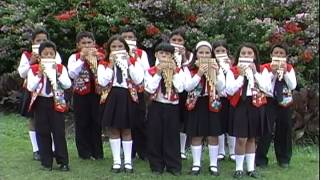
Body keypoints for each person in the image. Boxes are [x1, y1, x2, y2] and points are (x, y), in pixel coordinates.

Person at [98, 35, 144, 173]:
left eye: (120, 47)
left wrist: (129, 63)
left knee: (127, 129)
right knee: (113, 129)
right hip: (112, 96)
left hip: (127, 96)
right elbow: (102, 81)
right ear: (109, 50)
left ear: (126, 48)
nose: (117, 49)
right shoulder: (104, 64)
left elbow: (138, 79)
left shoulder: (134, 62)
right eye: (114, 47)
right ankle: (117, 161)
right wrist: (111, 65)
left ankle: (128, 162)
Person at [226, 43, 269, 178]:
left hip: (256, 104)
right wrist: (241, 75)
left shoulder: (262, 70)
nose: (246, 56)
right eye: (243, 53)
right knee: (241, 138)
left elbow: (266, 88)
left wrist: (254, 73)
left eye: (249, 53)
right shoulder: (232, 70)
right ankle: (239, 168)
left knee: (252, 138)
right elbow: (230, 90)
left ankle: (251, 168)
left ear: (254, 56)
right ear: (239, 56)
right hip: (240, 105)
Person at [27, 41, 71, 171]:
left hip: (56, 101)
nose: (49, 56)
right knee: (42, 131)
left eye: (51, 53)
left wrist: (57, 75)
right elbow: (31, 87)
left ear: (55, 55)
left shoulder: (61, 68)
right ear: (40, 56)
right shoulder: (34, 69)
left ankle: (63, 161)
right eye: (45, 54)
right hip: (41, 102)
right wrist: (40, 74)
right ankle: (46, 162)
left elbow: (67, 85)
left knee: (58, 132)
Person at [17, 28, 61, 161]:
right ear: (33, 42)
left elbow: (58, 67)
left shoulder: (53, 53)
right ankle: (36, 149)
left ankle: (52, 148)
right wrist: (31, 62)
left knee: (51, 119)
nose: (41, 42)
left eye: (44, 40)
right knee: (33, 119)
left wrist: (46, 59)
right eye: (38, 40)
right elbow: (22, 73)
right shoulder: (26, 55)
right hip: (32, 89)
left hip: (50, 89)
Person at [184, 41, 225, 176]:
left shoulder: (216, 67)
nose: (204, 55)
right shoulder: (189, 69)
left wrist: (217, 73)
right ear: (196, 55)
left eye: (207, 53)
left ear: (211, 54)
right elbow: (188, 87)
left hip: (212, 102)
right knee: (196, 134)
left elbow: (221, 88)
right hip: (196, 103)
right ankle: (196, 164)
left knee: (213, 134)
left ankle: (213, 164)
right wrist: (199, 73)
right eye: (201, 52)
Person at [144, 42, 185, 176]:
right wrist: (159, 73)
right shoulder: (150, 71)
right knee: (155, 135)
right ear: (156, 55)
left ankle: (174, 166)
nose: (164, 56)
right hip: (156, 105)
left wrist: (172, 73)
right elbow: (149, 88)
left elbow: (180, 88)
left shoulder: (179, 71)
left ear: (172, 56)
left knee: (172, 136)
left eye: (167, 54)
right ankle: (156, 166)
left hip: (172, 106)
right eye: (162, 53)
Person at [256, 43, 297, 168]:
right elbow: (264, 86)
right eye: (276, 53)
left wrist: (284, 73)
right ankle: (260, 159)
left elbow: (292, 85)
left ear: (286, 56)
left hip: (284, 101)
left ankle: (284, 159)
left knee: (284, 129)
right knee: (266, 130)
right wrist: (272, 73)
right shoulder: (265, 68)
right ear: (271, 55)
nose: (278, 56)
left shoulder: (289, 68)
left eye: (281, 54)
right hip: (269, 101)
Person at [67, 31, 103, 160]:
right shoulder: (74, 57)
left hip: (97, 93)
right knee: (82, 122)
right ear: (78, 45)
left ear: (94, 44)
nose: (87, 46)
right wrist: (82, 59)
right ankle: (84, 152)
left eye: (89, 43)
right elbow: (71, 74)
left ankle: (97, 152)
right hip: (81, 93)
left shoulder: (101, 56)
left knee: (97, 122)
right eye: (83, 43)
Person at [120, 27, 150, 160]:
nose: (128, 40)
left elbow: (147, 71)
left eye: (130, 37)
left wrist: (135, 58)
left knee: (140, 120)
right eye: (125, 37)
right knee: (126, 121)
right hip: (122, 91)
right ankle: (128, 151)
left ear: (135, 40)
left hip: (138, 90)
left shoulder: (141, 53)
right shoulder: (116, 52)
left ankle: (143, 150)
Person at [169, 29, 193, 160]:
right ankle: (171, 146)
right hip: (169, 90)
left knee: (183, 120)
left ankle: (182, 149)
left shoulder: (189, 55)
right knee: (172, 119)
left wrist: (183, 57)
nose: (177, 43)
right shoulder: (165, 53)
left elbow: (190, 69)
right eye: (174, 40)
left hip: (184, 91)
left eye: (180, 40)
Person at [211, 40, 236, 161]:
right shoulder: (212, 64)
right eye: (217, 51)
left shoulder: (233, 64)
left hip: (231, 99)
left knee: (231, 124)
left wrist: (229, 67)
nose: (220, 53)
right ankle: (221, 151)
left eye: (223, 51)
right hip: (218, 97)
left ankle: (232, 151)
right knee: (219, 123)